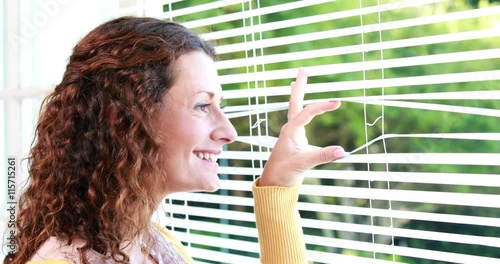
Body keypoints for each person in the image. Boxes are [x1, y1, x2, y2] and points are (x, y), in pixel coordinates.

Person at [6, 16, 345, 264]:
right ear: (124, 119)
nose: (229, 131)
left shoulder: (151, 244)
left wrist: (279, 185)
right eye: (202, 105)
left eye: (219, 106)